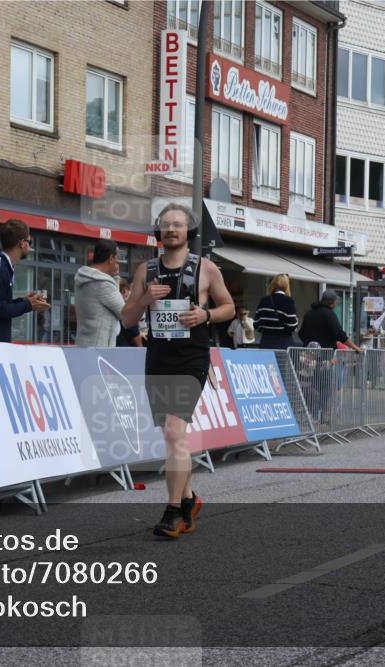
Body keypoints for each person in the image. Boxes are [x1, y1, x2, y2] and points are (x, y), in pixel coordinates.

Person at [120, 203, 234, 539]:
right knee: (173, 438)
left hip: (191, 359)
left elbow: (227, 306)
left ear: (189, 233)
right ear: (159, 231)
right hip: (158, 359)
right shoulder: (147, 271)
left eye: (178, 225)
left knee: (173, 432)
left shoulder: (206, 269)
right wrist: (144, 301)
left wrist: (206, 316)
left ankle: (172, 513)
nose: (171, 230)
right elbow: (127, 320)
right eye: (165, 225)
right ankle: (188, 499)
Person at [74, 239, 125, 348]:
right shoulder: (103, 284)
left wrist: (114, 278)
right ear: (111, 259)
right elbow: (124, 312)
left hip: (83, 344)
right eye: (117, 258)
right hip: (100, 349)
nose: (117, 263)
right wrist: (115, 278)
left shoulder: (84, 277)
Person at [299, 290, 363, 353]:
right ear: (332, 303)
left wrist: (310, 343)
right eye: (336, 301)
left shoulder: (308, 314)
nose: (337, 303)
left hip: (307, 355)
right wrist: (355, 347)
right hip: (324, 356)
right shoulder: (329, 314)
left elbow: (301, 333)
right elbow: (339, 334)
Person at [254, 274, 298, 349]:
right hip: (283, 344)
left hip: (266, 343)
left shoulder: (264, 300)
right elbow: (292, 326)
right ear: (287, 286)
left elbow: (256, 324)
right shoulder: (288, 301)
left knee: (266, 361)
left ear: (273, 284)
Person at [115, 278, 142, 347]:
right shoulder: (128, 310)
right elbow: (138, 341)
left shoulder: (111, 308)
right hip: (128, 352)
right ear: (125, 291)